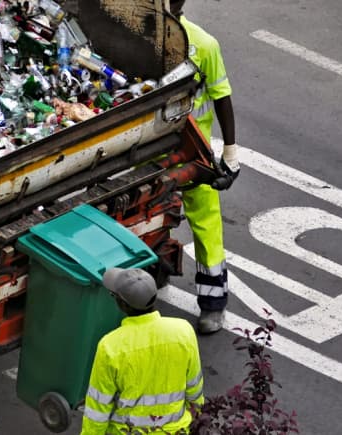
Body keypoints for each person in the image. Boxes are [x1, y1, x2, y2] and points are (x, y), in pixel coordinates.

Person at [170, 0, 239, 334]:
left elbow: (221, 96)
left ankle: (213, 304)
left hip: (191, 153)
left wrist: (230, 154)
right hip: (150, 150)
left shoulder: (204, 45)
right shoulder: (141, 38)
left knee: (206, 226)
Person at [81, 267, 205, 434]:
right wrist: (196, 418)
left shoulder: (110, 347)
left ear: (122, 304)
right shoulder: (183, 331)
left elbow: (98, 409)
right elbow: (194, 388)